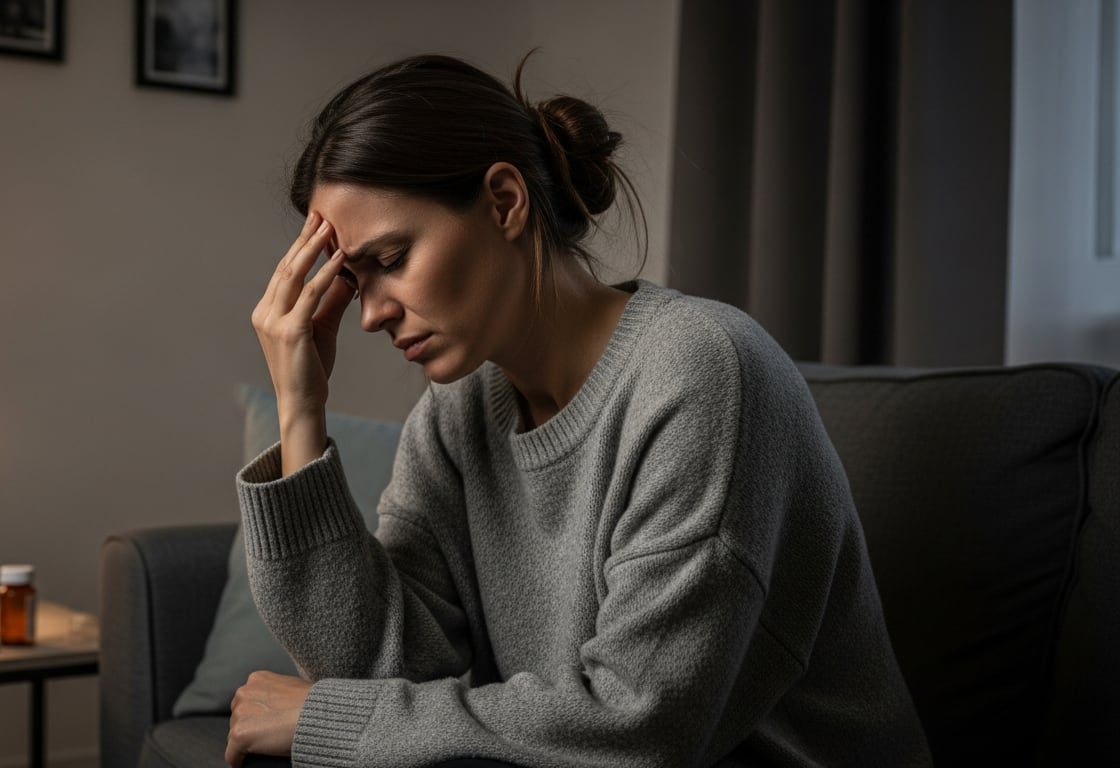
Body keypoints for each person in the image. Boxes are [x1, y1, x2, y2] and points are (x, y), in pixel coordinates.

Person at [232, 53, 931, 768]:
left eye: (391, 258)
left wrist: (332, 720)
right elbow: (386, 674)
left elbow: (640, 725)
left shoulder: (701, 369)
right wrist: (301, 411)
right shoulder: (457, 413)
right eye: (352, 278)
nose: (372, 313)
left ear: (505, 201)